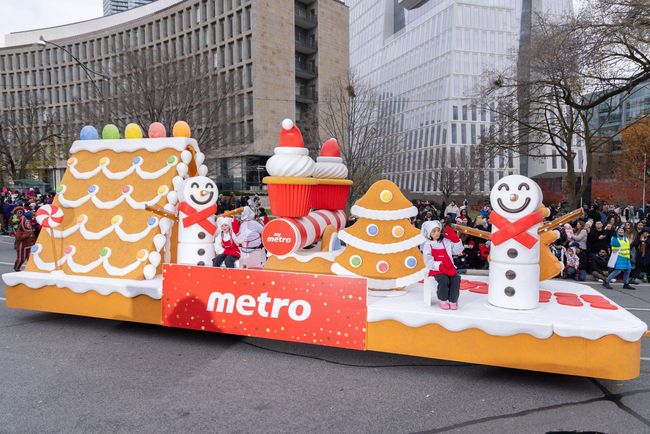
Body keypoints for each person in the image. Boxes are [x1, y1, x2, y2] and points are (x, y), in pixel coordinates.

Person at [422, 220, 464, 310]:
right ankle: (443, 299)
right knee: (443, 279)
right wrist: (439, 265)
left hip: (449, 267)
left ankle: (453, 300)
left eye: (438, 230)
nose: (437, 233)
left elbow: (457, 251)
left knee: (456, 278)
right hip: (437, 269)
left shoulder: (446, 241)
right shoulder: (428, 245)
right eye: (434, 231)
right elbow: (428, 261)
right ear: (429, 234)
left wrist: (456, 241)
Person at [603, 225, 635, 290]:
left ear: (624, 231)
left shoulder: (625, 238)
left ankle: (626, 284)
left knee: (628, 270)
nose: (621, 231)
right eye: (619, 230)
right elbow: (614, 248)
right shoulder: (615, 238)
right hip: (619, 256)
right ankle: (606, 281)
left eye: (622, 230)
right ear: (617, 231)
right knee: (618, 271)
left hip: (626, 257)